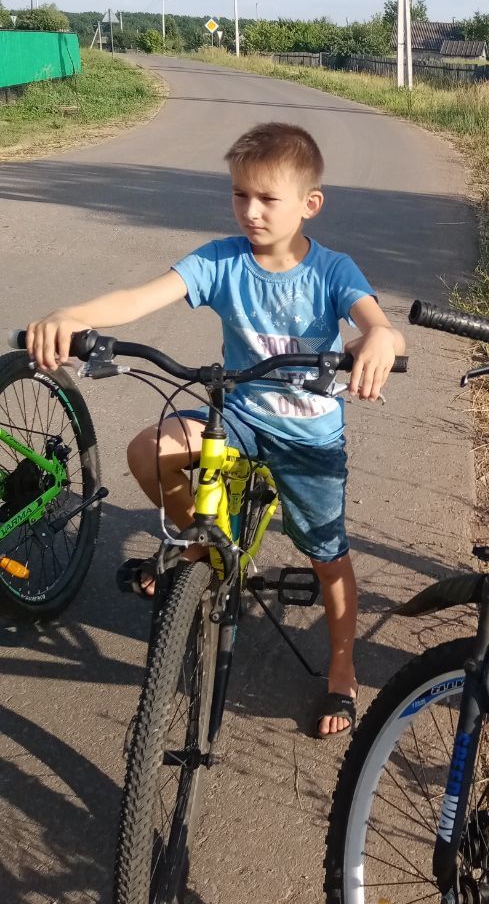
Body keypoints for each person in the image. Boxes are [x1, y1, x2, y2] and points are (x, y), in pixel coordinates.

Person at [27, 121, 404, 740]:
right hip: (239, 416)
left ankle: (342, 666)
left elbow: (378, 324)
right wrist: (74, 315)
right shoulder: (220, 260)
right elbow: (140, 297)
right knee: (149, 450)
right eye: (239, 195)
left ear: (310, 205)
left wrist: (381, 339)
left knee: (326, 554)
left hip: (309, 436)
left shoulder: (333, 270)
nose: (250, 211)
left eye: (267, 199)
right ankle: (207, 551)